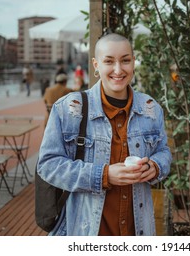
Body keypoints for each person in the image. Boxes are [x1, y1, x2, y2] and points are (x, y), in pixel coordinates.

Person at [37, 33, 172, 236]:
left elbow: (164, 152)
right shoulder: (68, 109)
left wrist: (155, 166)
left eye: (125, 60)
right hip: (85, 231)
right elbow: (47, 165)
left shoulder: (151, 109)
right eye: (109, 61)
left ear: (133, 62)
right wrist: (103, 175)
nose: (118, 70)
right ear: (96, 64)